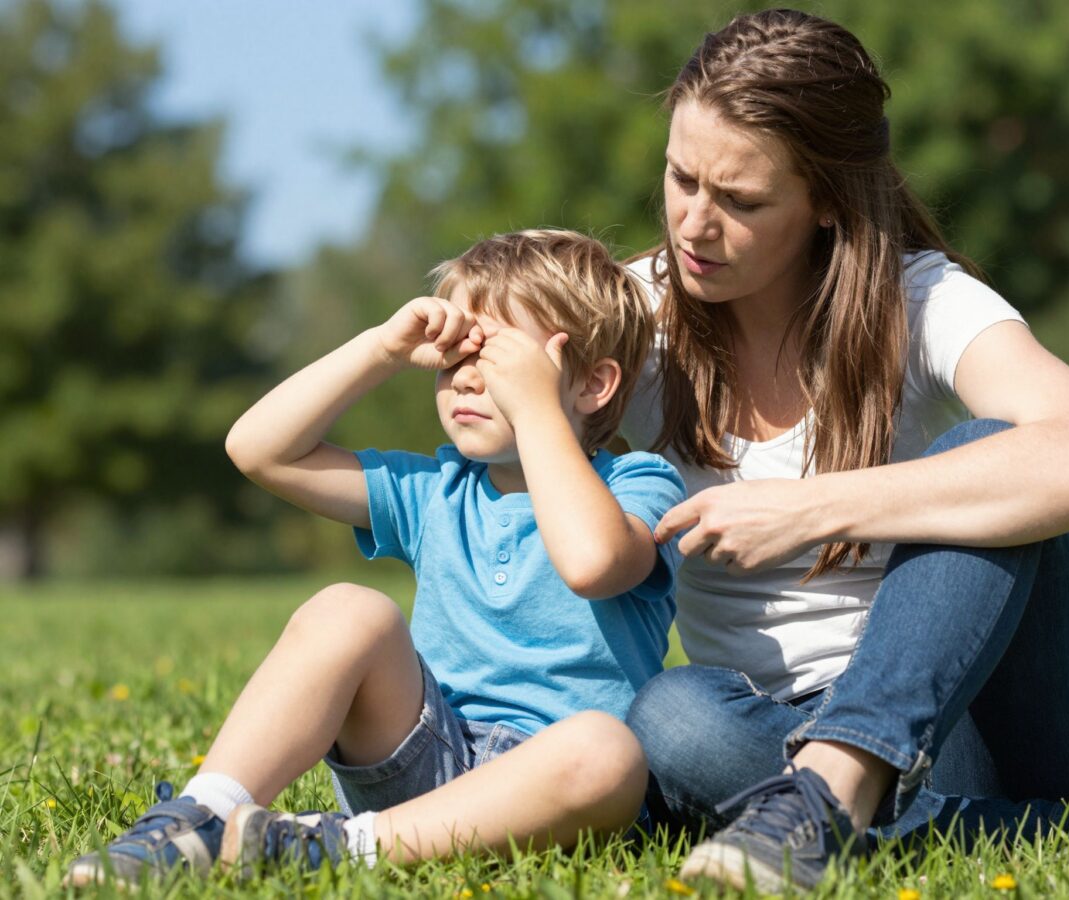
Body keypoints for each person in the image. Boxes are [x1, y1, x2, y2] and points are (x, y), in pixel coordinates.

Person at [616, 10, 1069, 892]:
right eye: (680, 177)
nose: (694, 223)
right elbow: (492, 430)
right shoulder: (637, 312)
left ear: (825, 204)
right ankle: (1056, 833)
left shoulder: (920, 300)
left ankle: (836, 785)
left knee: (995, 449)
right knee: (673, 717)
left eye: (740, 200)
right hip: (767, 729)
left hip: (974, 728)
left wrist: (810, 506)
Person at [64, 229, 685, 887]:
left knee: (608, 750)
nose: (466, 377)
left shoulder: (639, 485)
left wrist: (536, 411)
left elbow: (592, 562)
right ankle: (203, 816)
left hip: (553, 792)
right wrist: (381, 350)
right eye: (454, 360)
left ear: (593, 385)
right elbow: (259, 450)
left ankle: (332, 848)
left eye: (498, 361)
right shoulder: (435, 491)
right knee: (346, 609)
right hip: (426, 755)